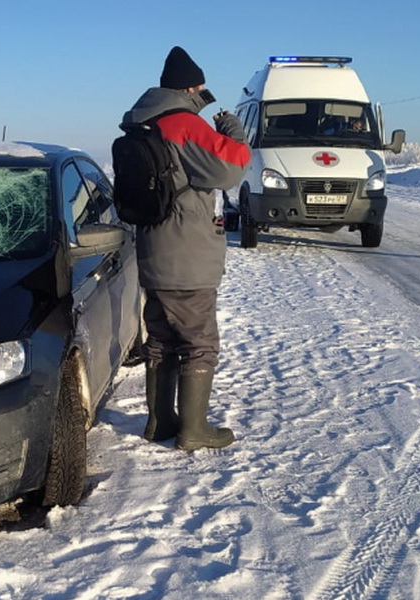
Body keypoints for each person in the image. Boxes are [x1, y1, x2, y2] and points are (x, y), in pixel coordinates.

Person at [120, 46, 251, 451]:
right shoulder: (182, 123)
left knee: (160, 339)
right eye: (201, 88)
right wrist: (234, 131)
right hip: (187, 258)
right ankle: (194, 430)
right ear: (191, 87)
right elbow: (232, 167)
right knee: (199, 343)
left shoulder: (141, 123)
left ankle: (159, 423)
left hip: (153, 253)